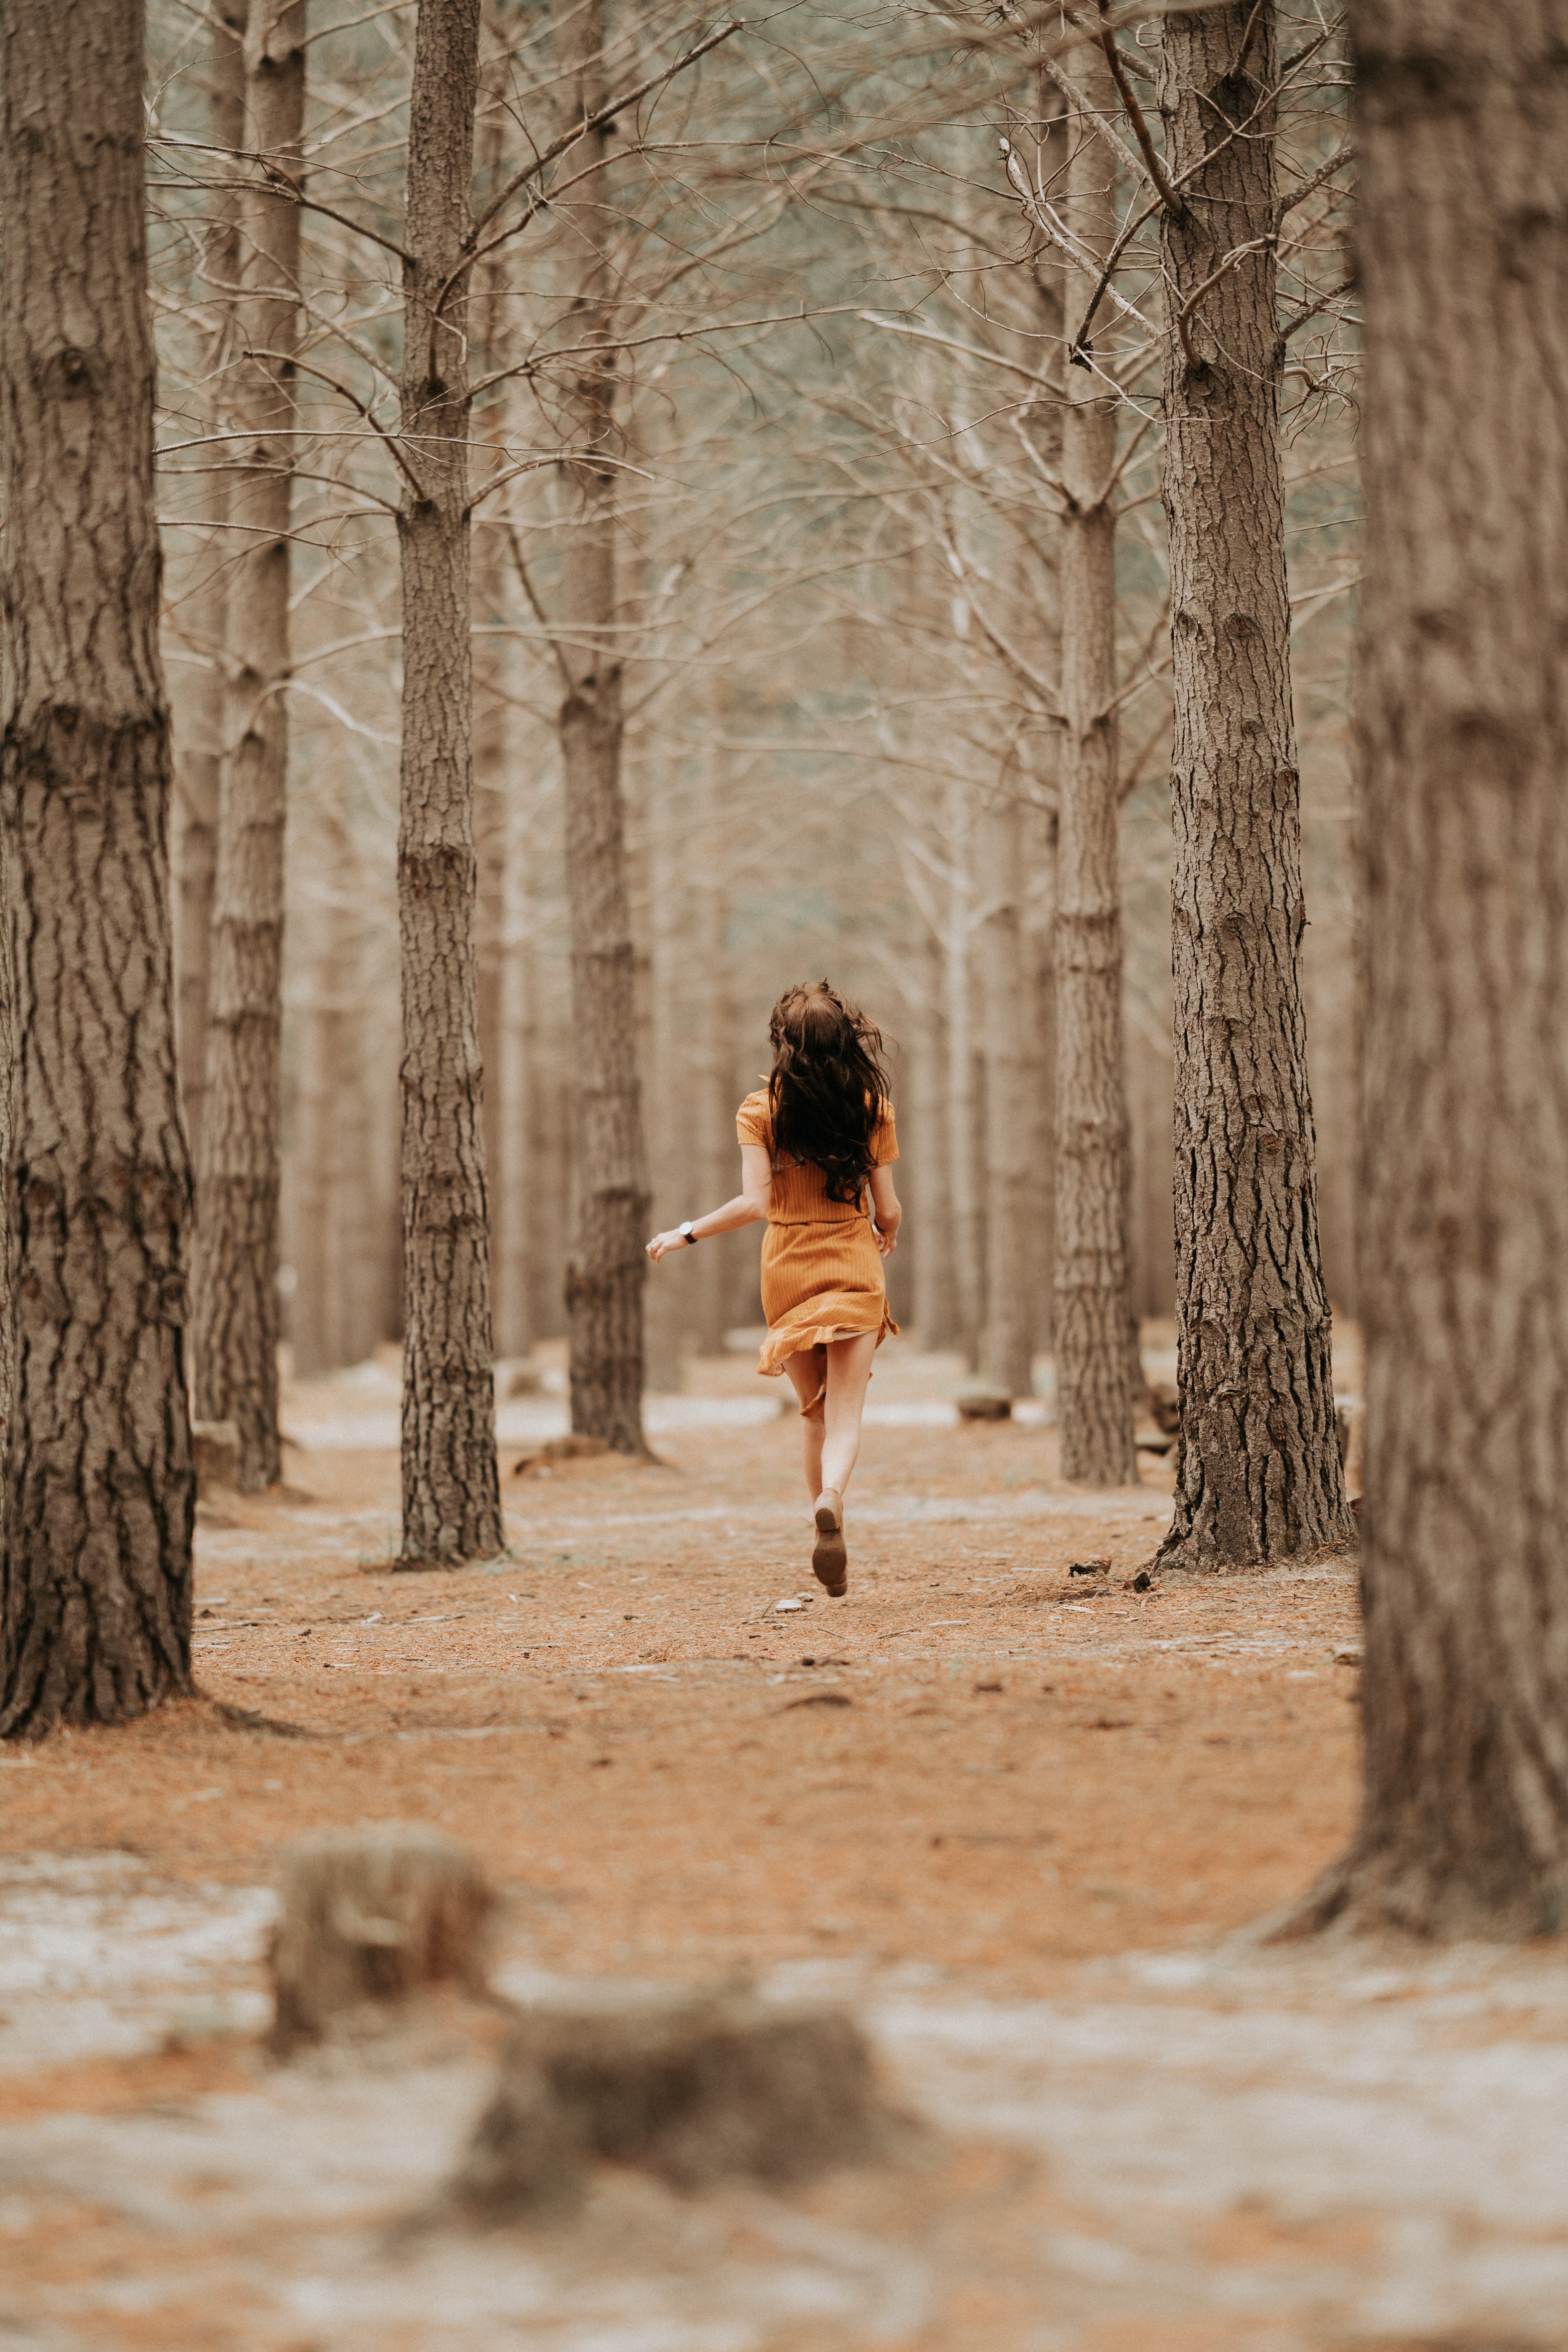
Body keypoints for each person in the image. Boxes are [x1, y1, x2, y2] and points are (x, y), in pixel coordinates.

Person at [646, 980, 902, 1597]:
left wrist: (687, 1232)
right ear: (846, 1042)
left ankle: (818, 1506)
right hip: (853, 1261)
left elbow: (754, 1204)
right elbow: (888, 1208)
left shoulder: (760, 1111)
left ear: (783, 1045)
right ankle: (834, 1499)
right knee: (845, 1416)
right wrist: (884, 1228)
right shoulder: (871, 1108)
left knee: (811, 1415)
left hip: (786, 1267)